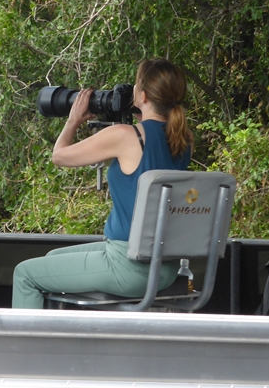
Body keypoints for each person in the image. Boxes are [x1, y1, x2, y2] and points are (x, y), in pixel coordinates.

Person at [12, 58, 193, 309]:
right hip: (166, 267)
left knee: (25, 274)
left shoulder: (125, 136)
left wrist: (73, 119)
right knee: (53, 258)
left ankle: (36, 337)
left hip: (128, 266)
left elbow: (59, 156)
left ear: (142, 96)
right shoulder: (183, 138)